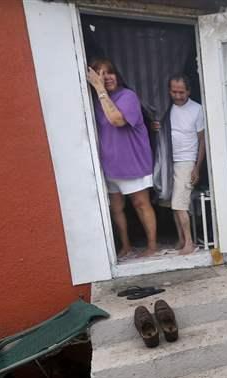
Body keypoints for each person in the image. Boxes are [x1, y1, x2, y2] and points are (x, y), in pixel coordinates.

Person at [86, 58, 158, 258]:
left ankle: (152, 245)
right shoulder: (94, 100)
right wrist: (99, 93)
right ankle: (125, 246)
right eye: (100, 74)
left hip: (133, 161)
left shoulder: (128, 96)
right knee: (116, 207)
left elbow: (116, 120)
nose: (106, 77)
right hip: (109, 164)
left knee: (140, 204)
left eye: (109, 72)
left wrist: (100, 89)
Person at [162, 74, 205, 255]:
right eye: (174, 92)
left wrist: (197, 166)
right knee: (173, 203)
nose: (178, 96)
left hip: (186, 161)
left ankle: (190, 242)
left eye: (181, 92)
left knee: (180, 204)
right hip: (168, 159)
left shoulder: (197, 109)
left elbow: (202, 140)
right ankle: (181, 240)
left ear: (188, 90)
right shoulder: (165, 108)